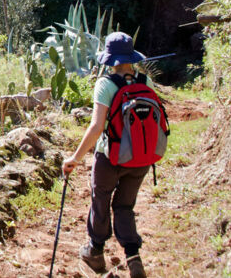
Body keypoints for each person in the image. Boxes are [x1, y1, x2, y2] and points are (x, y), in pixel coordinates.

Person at [61, 32, 151, 278]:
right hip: (141, 157)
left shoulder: (106, 84)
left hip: (110, 157)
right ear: (131, 57)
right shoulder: (146, 81)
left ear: (110, 59)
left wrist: (75, 158)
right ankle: (133, 258)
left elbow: (96, 127)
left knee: (100, 201)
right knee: (124, 205)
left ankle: (95, 252)